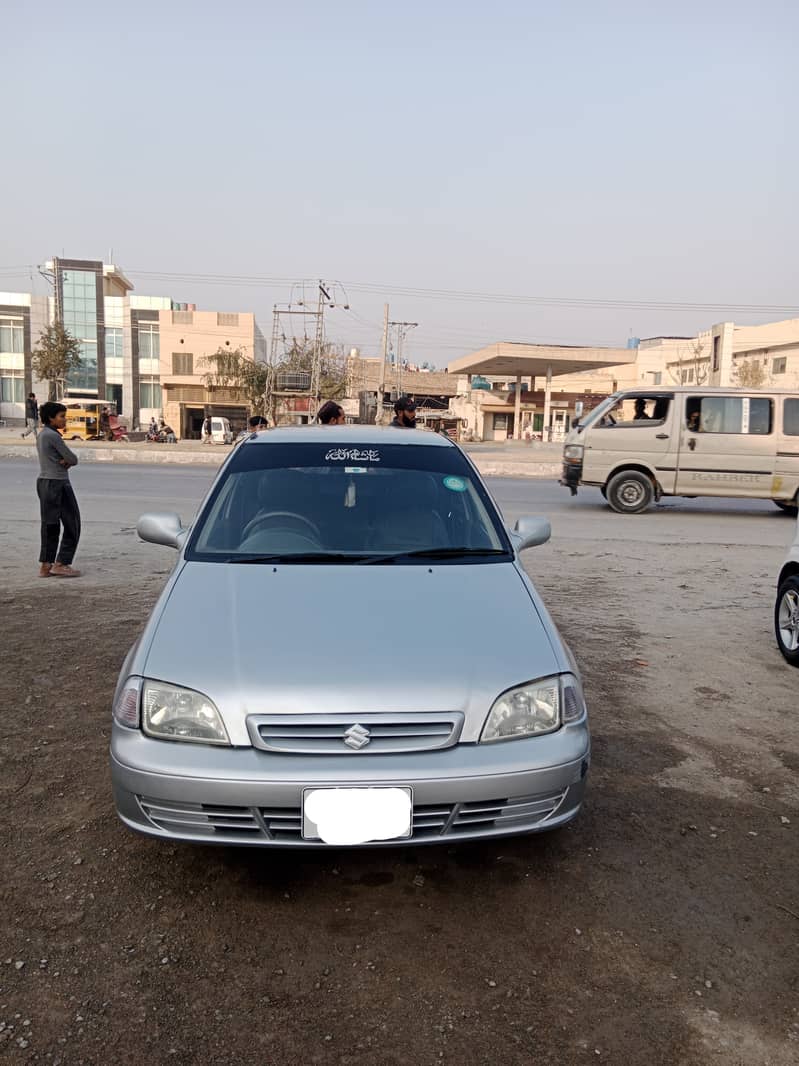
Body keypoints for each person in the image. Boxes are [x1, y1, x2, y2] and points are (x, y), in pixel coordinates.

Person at [35, 401, 82, 578]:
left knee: (50, 525)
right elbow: (72, 458)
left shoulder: (43, 435)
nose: (64, 420)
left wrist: (65, 461)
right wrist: (66, 461)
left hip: (45, 482)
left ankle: (46, 565)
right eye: (62, 417)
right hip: (58, 483)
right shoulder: (53, 436)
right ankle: (61, 563)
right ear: (51, 418)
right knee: (72, 523)